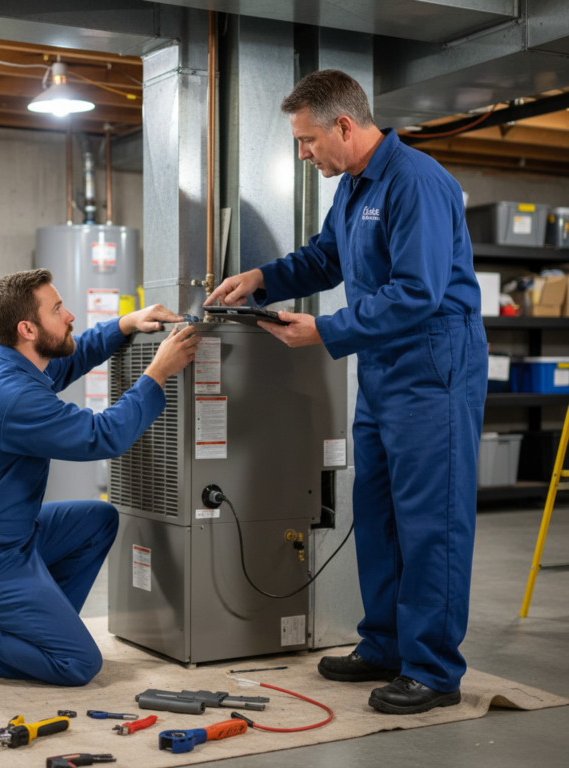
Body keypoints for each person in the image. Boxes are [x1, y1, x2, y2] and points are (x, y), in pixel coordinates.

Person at [205, 70, 488, 715]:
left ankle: (435, 670)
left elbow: (419, 292)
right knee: (378, 512)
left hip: (433, 367)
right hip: (385, 365)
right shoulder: (357, 187)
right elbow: (326, 259)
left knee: (431, 521)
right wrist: (261, 279)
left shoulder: (416, 181)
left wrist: (327, 329)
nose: (304, 154)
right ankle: (386, 645)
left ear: (344, 125)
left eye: (307, 141)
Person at [0, 268, 199, 686]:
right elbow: (102, 436)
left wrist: (126, 324)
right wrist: (157, 374)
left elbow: (70, 357)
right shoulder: (13, 395)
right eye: (57, 309)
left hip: (5, 535)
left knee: (98, 520)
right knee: (77, 664)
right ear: (28, 328)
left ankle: (38, 629)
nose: (70, 314)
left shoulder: (9, 364)